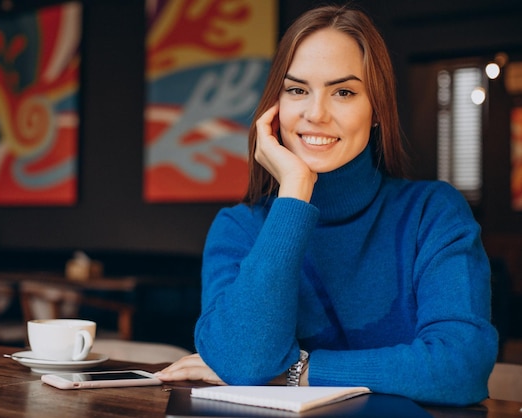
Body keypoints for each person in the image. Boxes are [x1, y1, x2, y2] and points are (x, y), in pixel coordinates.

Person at [155, 4, 498, 406]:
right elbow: (243, 362)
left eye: (344, 92)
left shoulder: (432, 213)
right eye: (297, 90)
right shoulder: (240, 228)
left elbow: (461, 367)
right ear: (275, 107)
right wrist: (297, 190)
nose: (315, 113)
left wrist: (295, 372)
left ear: (376, 112)